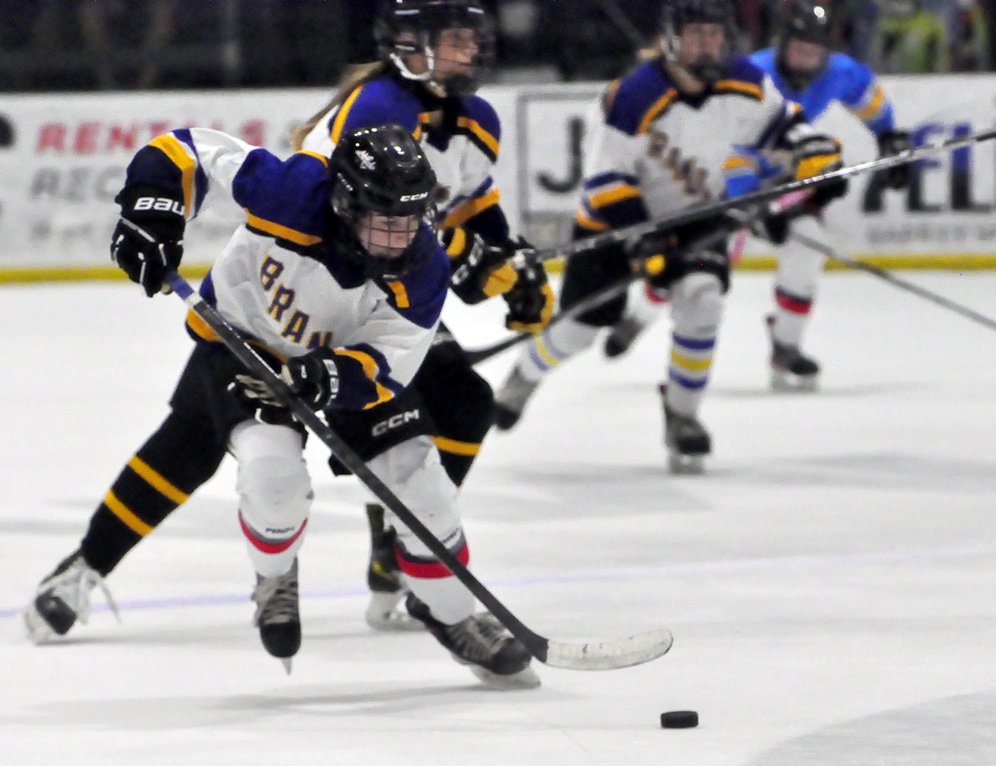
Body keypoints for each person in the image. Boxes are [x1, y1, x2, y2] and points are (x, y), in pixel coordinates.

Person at [23, 122, 538, 686]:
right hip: (245, 345)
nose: (400, 238)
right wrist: (151, 211)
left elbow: (391, 363)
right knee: (271, 481)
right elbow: (185, 149)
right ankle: (273, 575)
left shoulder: (422, 263)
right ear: (345, 205)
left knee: (424, 487)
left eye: (410, 220)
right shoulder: (293, 191)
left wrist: (329, 376)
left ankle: (454, 616)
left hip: (343, 362)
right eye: (384, 221)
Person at [292, 0, 552, 630]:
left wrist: (513, 264)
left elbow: (473, 207)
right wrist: (467, 259)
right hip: (331, 293)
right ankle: (411, 553)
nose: (471, 51)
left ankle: (398, 544)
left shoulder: (475, 118)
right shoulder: (378, 108)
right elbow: (363, 222)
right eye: (455, 40)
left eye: (472, 39)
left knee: (464, 404)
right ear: (411, 45)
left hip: (387, 292)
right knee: (426, 414)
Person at [491, 0, 835, 473]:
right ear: (671, 40)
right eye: (696, 35)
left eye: (715, 35)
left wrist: (815, 150)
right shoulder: (633, 95)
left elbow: (782, 125)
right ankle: (525, 376)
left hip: (696, 215)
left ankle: (682, 415)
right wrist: (645, 240)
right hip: (613, 223)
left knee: (703, 301)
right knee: (580, 329)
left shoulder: (745, 81)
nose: (708, 45)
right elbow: (606, 182)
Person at [602, 0, 910, 392]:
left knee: (809, 242)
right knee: (694, 259)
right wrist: (751, 202)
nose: (805, 61)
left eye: (813, 53)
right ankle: (640, 316)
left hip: (779, 176)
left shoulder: (841, 72)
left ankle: (786, 344)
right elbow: (729, 151)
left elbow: (872, 104)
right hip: (720, 179)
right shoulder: (752, 75)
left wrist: (889, 137)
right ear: (781, 46)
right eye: (798, 51)